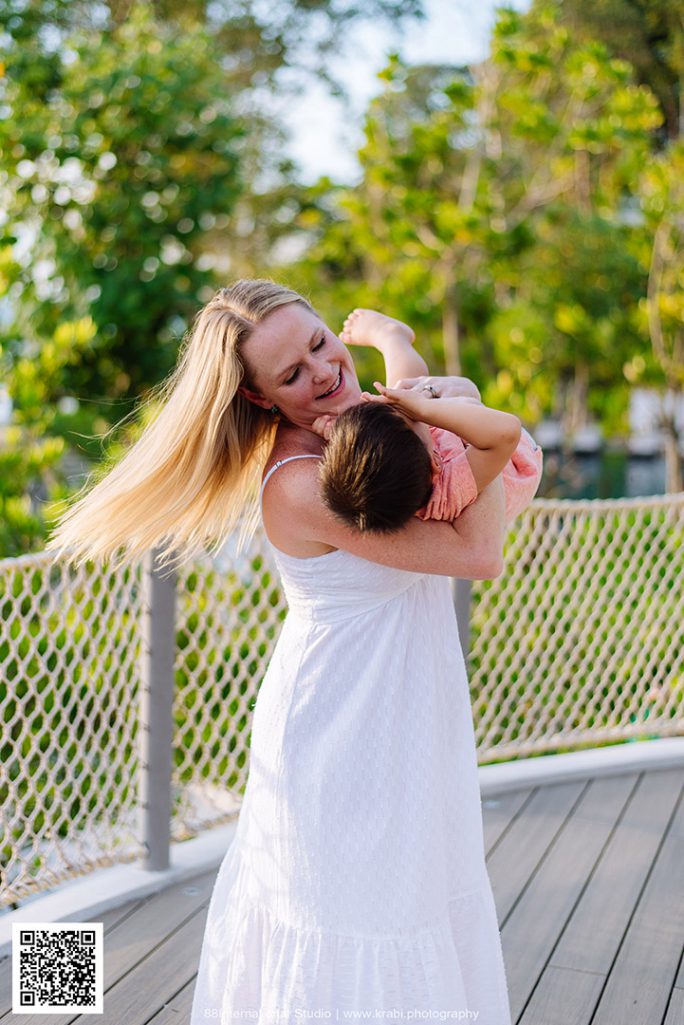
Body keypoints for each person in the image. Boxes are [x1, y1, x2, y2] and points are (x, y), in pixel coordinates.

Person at [45, 280, 514, 1024]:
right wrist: (461, 408)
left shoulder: (365, 429)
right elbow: (477, 546)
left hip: (409, 715)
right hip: (341, 731)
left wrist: (423, 395)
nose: (324, 371)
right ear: (261, 398)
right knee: (347, 931)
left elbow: (442, 458)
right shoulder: (301, 482)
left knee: (416, 905)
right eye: (291, 373)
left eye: (320, 342)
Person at [314, 308, 543, 533]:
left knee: (402, 390)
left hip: (419, 450)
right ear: (435, 462)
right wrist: (423, 408)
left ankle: (391, 335)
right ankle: (393, 338)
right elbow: (506, 433)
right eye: (412, 418)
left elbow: (366, 466)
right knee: (413, 391)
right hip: (515, 461)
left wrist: (338, 439)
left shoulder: (390, 477)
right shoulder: (450, 487)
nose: (408, 411)